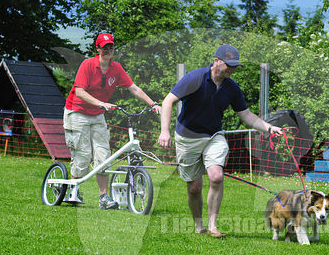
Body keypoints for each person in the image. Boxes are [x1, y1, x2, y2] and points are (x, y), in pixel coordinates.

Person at [158, 44, 282, 237]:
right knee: (194, 188)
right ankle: (199, 225)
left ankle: (213, 225)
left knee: (216, 176)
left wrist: (269, 127)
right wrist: (164, 131)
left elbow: (247, 115)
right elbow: (168, 101)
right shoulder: (195, 78)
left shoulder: (231, 88)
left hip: (214, 136)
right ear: (216, 61)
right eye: (229, 65)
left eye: (234, 66)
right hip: (187, 136)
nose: (232, 69)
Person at [64, 32, 162, 209]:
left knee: (104, 156)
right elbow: (79, 92)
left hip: (97, 114)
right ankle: (73, 189)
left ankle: (103, 198)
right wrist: (101, 103)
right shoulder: (87, 65)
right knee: (83, 155)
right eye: (105, 47)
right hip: (76, 112)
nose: (108, 50)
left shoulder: (116, 68)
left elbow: (133, 88)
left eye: (111, 47)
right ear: (98, 48)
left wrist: (153, 104)